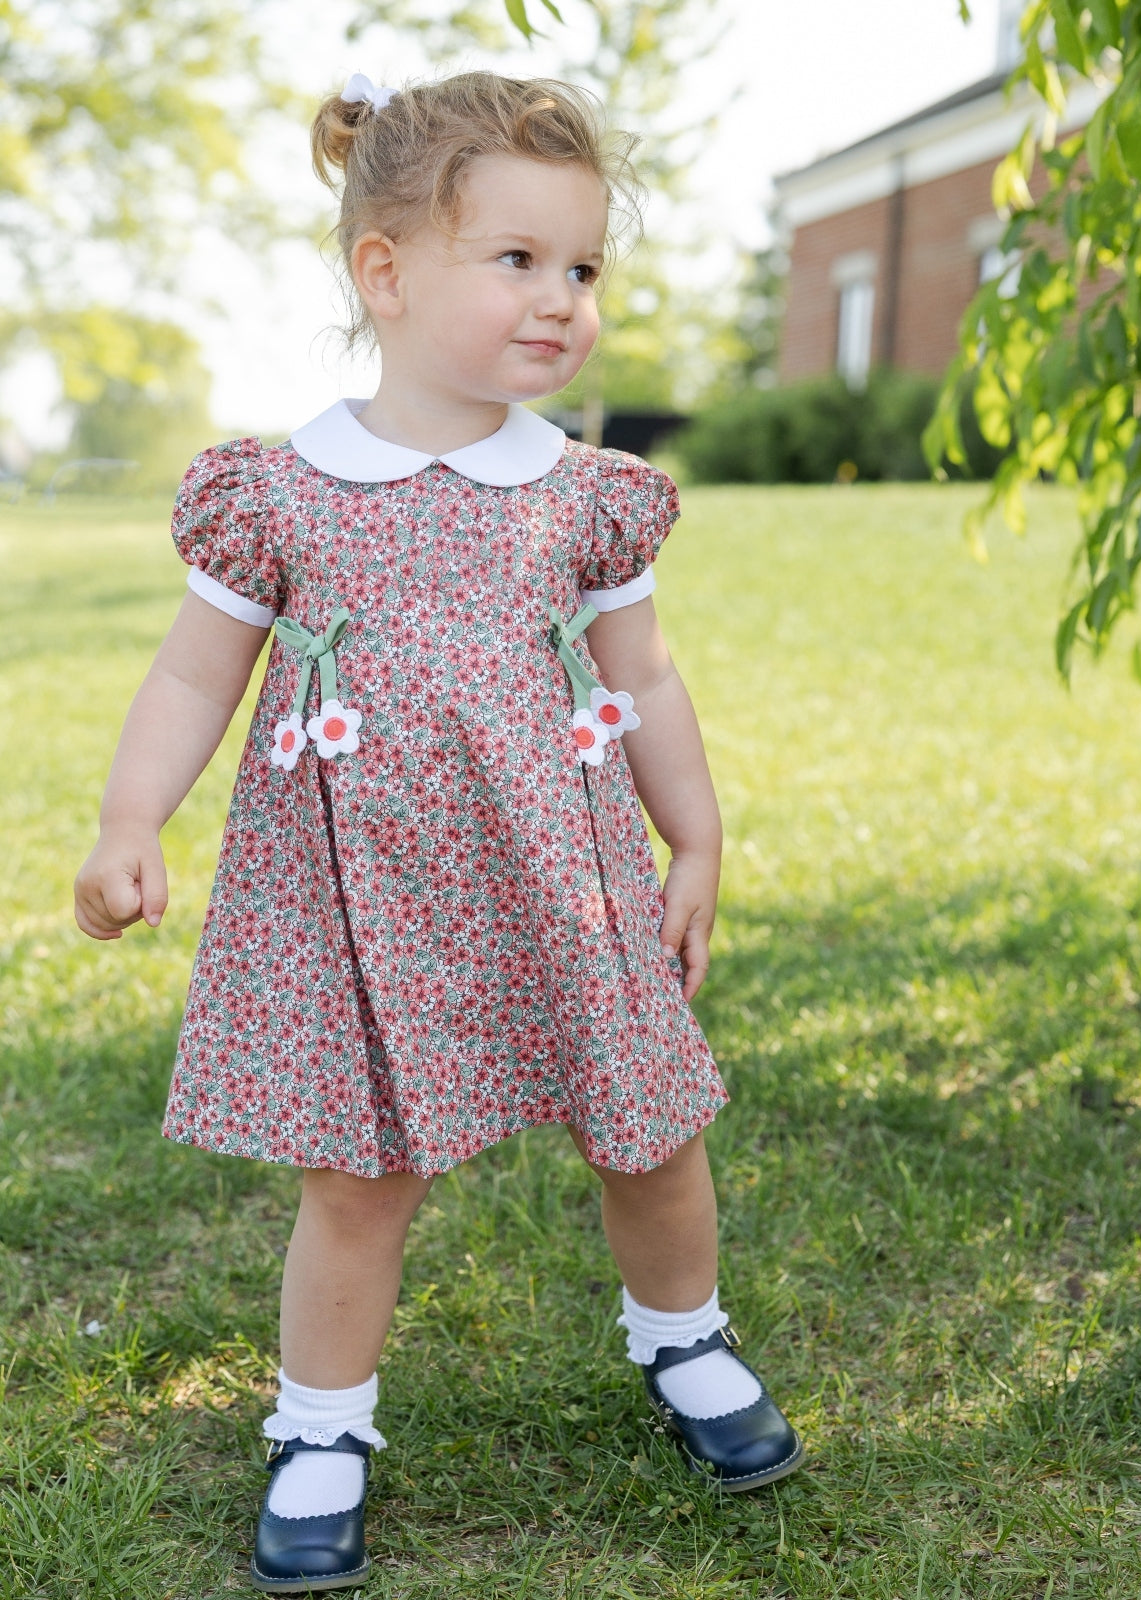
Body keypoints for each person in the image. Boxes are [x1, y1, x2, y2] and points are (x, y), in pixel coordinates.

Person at [73, 69, 802, 1593]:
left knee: (653, 1129)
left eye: (584, 268)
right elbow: (195, 669)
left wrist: (701, 835)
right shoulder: (278, 493)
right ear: (385, 275)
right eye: (518, 261)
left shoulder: (586, 496)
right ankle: (322, 1426)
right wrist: (132, 815)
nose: (561, 300)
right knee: (358, 1179)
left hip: (565, 879)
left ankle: (685, 1340)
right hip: (356, 897)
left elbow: (643, 674)